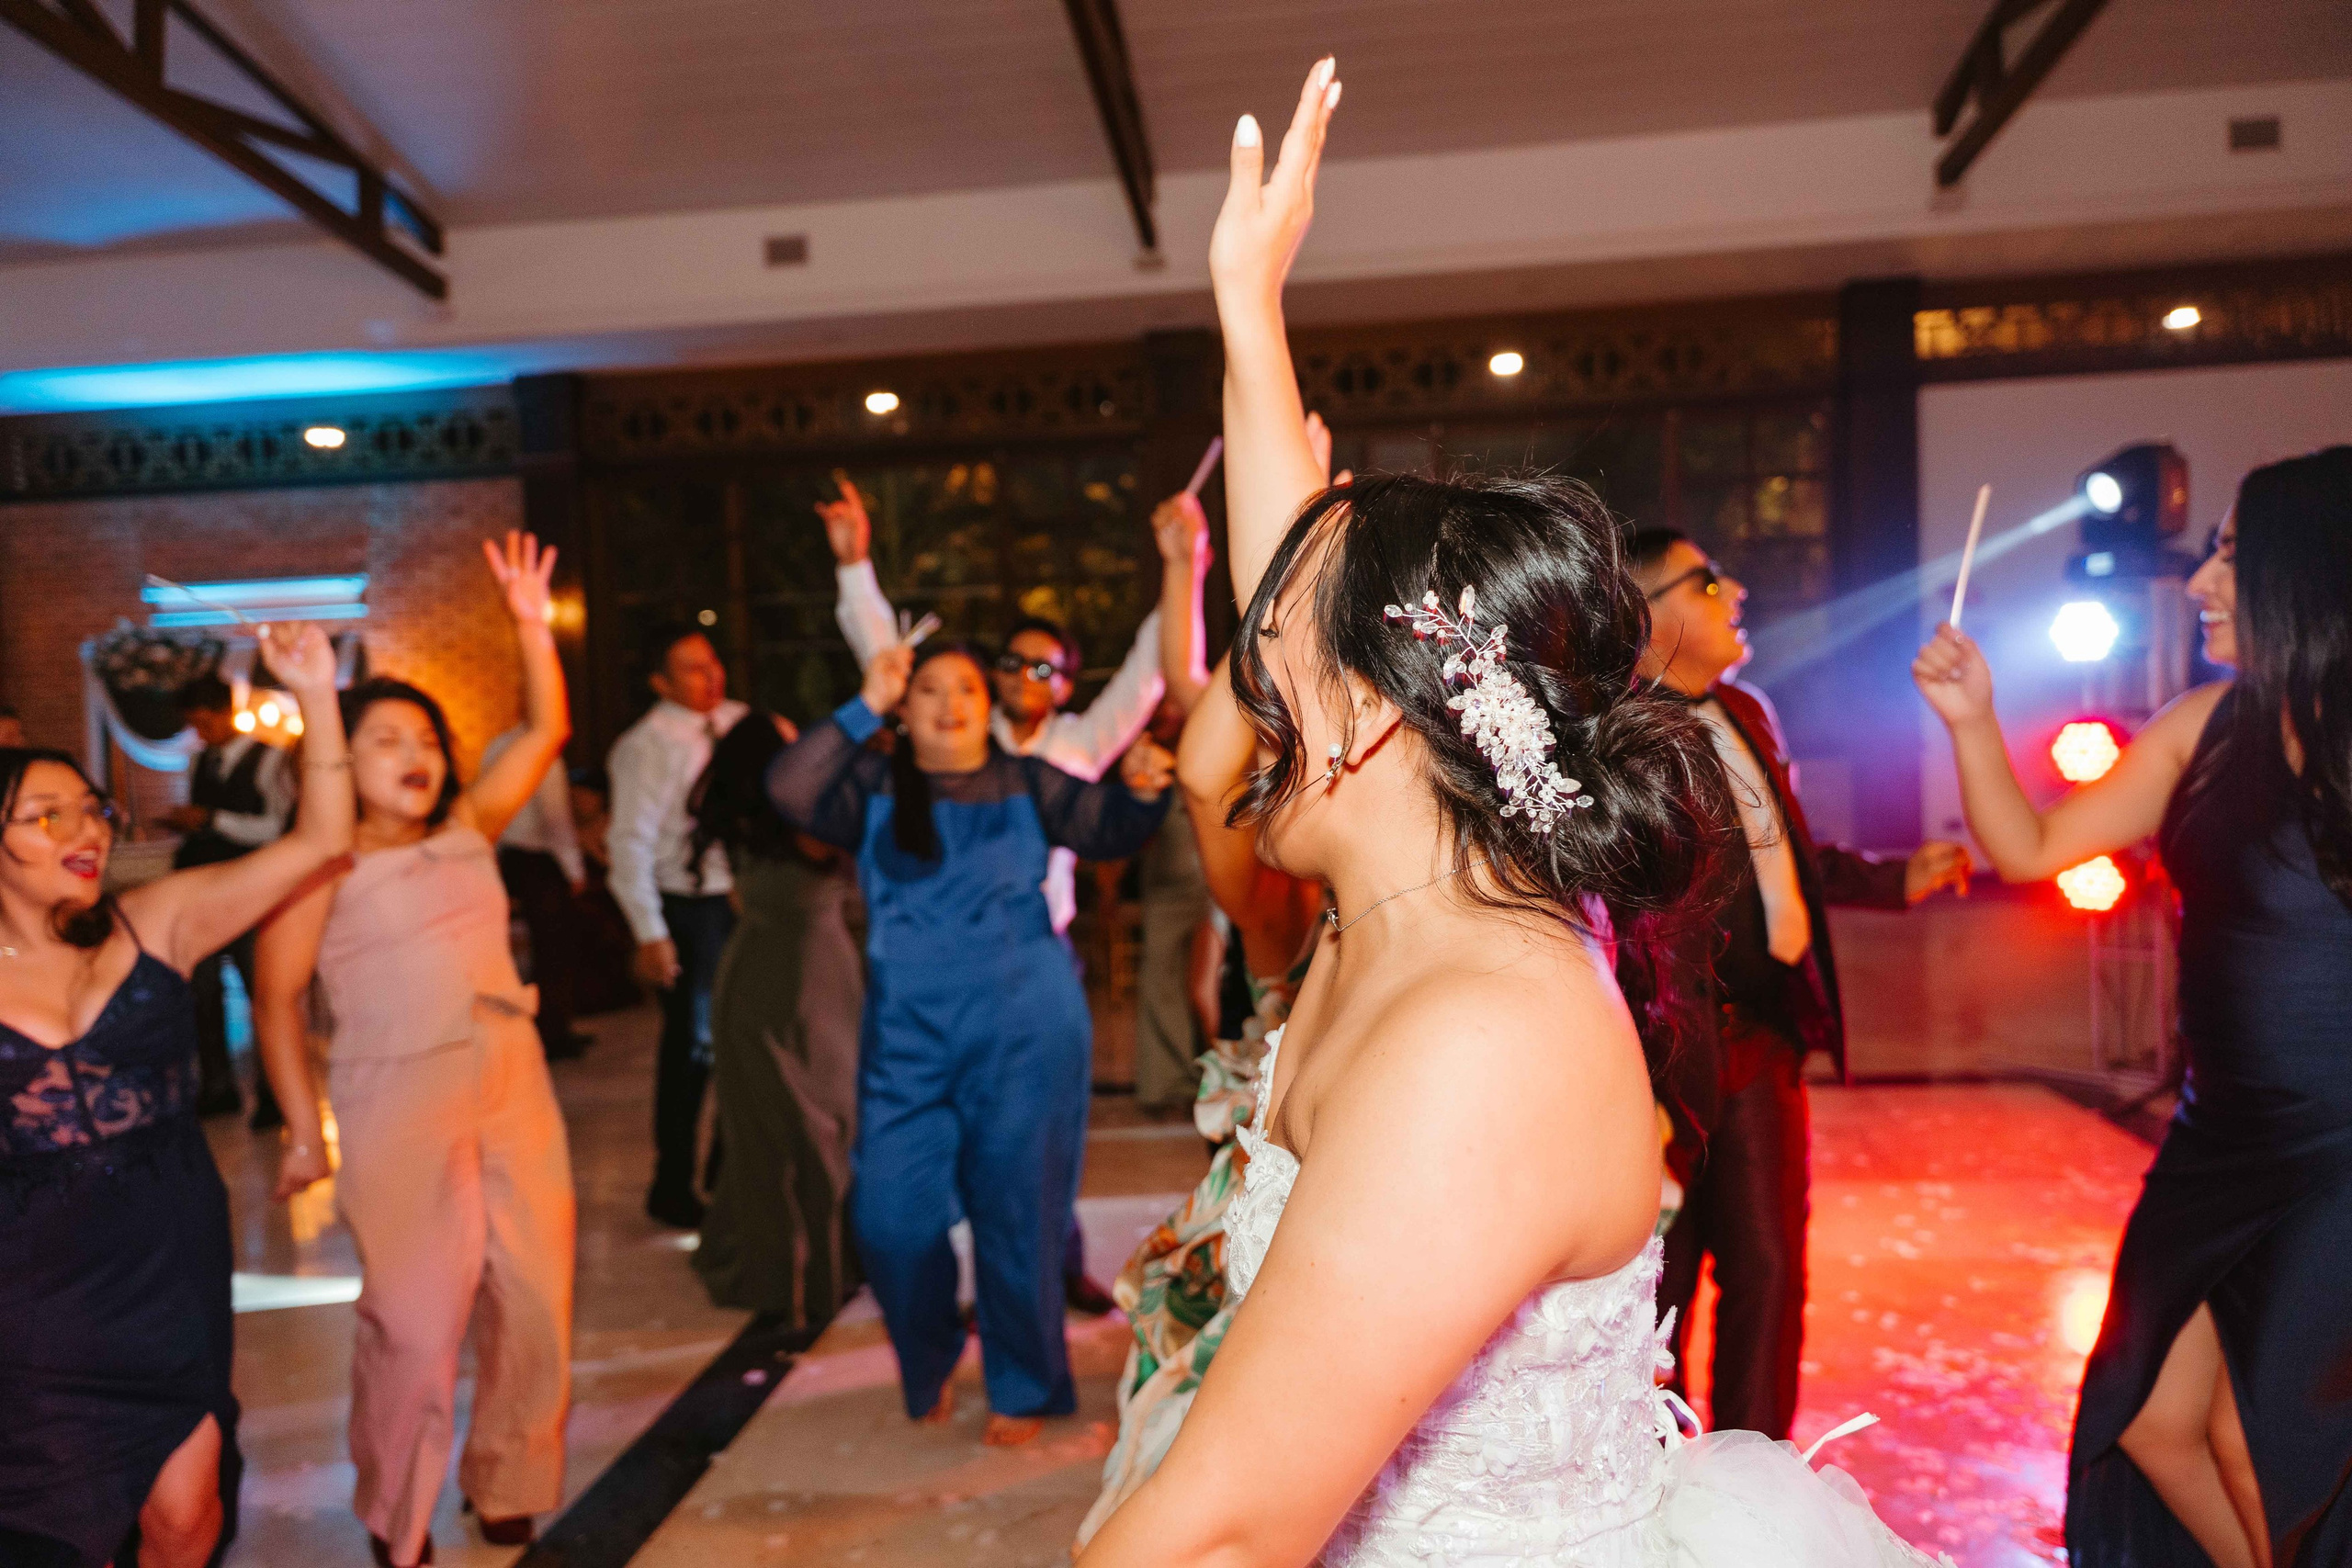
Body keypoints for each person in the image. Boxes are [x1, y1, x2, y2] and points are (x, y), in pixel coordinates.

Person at [1081, 61, 1944, 1568]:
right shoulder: (1395, 903)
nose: (1223, 721)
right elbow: (1303, 591)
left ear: (1361, 722)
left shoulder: (1482, 1038)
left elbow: (1216, 1537)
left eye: (1258, 672)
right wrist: (1247, 311)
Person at [1915, 448, 2352, 1568]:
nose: (2201, 583)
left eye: (2228, 557)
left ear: (2306, 575)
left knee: (2264, 1442)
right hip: (2216, 1140)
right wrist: (1972, 721)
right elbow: (2030, 847)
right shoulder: (2203, 725)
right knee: (2151, 1418)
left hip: (2338, 1151)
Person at [253, 534, 575, 1567]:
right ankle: (397, 1513)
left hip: (512, 1079)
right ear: (343, 756)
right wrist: (305, 1130)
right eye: (386, 737)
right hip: (396, 1100)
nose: (416, 752)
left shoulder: (471, 827)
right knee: (415, 1327)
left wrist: (532, 624)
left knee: (534, 1300)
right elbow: (276, 995)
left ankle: (510, 1479)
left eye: (425, 736)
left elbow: (544, 731)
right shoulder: (319, 866)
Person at [0, 625, 352, 1568]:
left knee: (187, 1519)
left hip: (170, 1274)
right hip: (33, 1312)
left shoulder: (155, 924)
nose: (85, 832)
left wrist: (317, 692)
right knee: (59, 1533)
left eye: (91, 810)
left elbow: (323, 838)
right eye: (47, 816)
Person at [768, 637, 1172, 1447]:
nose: (949, 702)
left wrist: (1143, 789)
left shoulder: (1027, 780)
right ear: (904, 707)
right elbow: (789, 785)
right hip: (906, 1040)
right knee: (888, 1219)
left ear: (989, 707)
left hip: (1026, 1027)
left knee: (1019, 1213)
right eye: (927, 689)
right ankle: (930, 1351)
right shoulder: (874, 788)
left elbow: (1109, 828)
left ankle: (1023, 1381)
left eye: (965, 689)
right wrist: (862, 703)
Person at [818, 473, 1204, 1306]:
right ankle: (980, 1273)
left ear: (1065, 683)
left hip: (1035, 964)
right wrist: (855, 567)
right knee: (945, 1144)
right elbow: (888, 660)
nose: (1023, 675)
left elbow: (1151, 670)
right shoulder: (963, 737)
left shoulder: (1078, 745)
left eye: (1045, 665)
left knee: (1040, 1143)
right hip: (932, 970)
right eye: (1010, 661)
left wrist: (1187, 565)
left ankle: (1048, 1265)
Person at [1626, 527, 1973, 1439]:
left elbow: (1783, 858)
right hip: (1660, 1059)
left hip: (1765, 1040)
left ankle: (1754, 1473)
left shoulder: (1745, 712)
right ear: (1642, 613)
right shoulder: (1615, 740)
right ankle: (1649, 1475)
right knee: (1656, 1284)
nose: (1731, 591)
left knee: (1770, 1272)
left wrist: (1894, 876)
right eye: (1705, 582)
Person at [684, 709, 866, 1334]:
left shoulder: (755, 819)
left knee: (805, 1124)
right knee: (803, 1127)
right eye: (794, 746)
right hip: (796, 976)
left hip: (797, 975)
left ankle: (802, 1268)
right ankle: (797, 1275)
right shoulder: (795, 819)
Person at [607, 625, 748, 1228]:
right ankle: (673, 1182)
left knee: (743, 1045)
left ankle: (730, 1170)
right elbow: (628, 842)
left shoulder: (742, 723)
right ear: (661, 682)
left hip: (741, 903)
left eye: (713, 661)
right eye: (692, 668)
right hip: (686, 907)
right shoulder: (648, 744)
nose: (710, 675)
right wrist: (650, 930)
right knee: (693, 1050)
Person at [165, 671, 296, 1122]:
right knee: (202, 993)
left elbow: (278, 829)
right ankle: (218, 1087)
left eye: (205, 723)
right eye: (194, 726)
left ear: (227, 713)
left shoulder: (270, 760)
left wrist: (213, 820)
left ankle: (273, 1093)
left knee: (263, 991)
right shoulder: (199, 763)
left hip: (252, 891)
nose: (200, 733)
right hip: (203, 894)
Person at [481, 721, 593, 1059]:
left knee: (535, 949)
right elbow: (555, 817)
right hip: (539, 859)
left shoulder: (497, 747)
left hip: (509, 856)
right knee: (553, 950)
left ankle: (542, 1029)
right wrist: (574, 868)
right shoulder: (544, 755)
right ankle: (552, 1033)